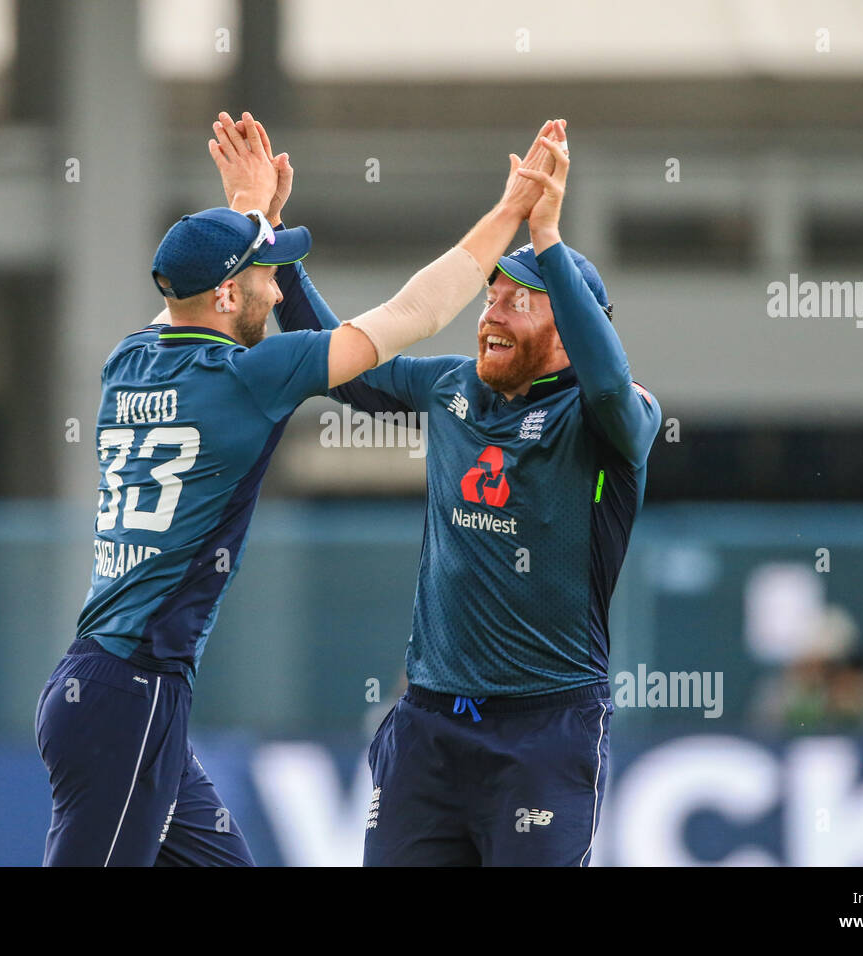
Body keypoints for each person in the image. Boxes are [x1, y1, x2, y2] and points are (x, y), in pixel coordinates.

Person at [35, 112, 563, 866]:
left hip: (103, 684)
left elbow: (191, 283)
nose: (275, 289)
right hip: (131, 694)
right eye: (262, 275)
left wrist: (255, 217)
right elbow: (417, 313)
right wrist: (510, 212)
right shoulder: (248, 378)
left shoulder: (131, 358)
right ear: (223, 298)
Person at [238, 115, 662, 865]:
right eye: (489, 296)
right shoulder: (452, 386)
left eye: (516, 301)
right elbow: (352, 373)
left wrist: (549, 240)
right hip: (428, 730)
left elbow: (608, 386)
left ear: (568, 324)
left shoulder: (609, 419)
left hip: (544, 733)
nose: (489, 315)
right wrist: (276, 242)